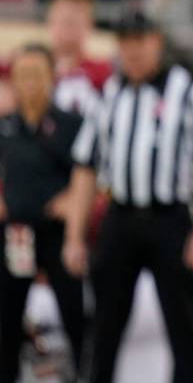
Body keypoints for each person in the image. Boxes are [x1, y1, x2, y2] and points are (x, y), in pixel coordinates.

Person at [61, 11, 193, 383]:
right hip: (121, 218)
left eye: (140, 41)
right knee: (104, 327)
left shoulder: (186, 90)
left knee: (184, 327)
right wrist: (74, 236)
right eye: (125, 42)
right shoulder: (109, 93)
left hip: (170, 218)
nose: (132, 51)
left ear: (157, 42)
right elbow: (85, 166)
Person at [0, 44, 85, 383]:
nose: (30, 82)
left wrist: (74, 198)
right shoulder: (6, 126)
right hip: (16, 233)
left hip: (58, 232)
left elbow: (94, 173)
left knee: (74, 313)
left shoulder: (72, 124)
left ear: (52, 77)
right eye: (22, 75)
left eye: (37, 74)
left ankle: (85, 372)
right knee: (6, 315)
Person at [46, 0, 114, 115]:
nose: (67, 27)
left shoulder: (103, 72)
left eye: (74, 21)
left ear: (89, 25)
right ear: (50, 21)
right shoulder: (29, 67)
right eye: (63, 20)